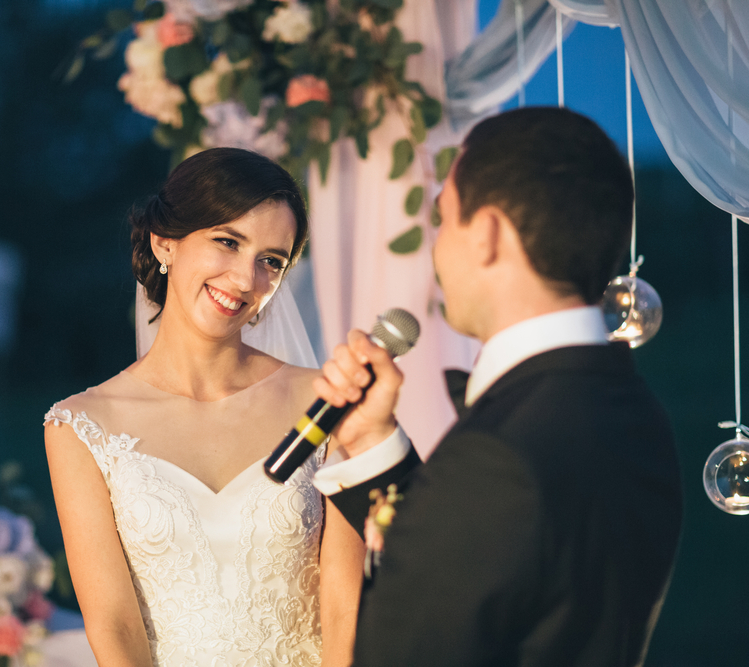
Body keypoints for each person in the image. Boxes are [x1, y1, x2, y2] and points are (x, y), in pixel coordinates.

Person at [309, 107, 684, 665]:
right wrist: (372, 444)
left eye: (443, 219)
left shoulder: (498, 457)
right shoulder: (636, 410)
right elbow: (490, 563)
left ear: (486, 234)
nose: (436, 249)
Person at [43, 147, 365, 666]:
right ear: (164, 242)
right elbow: (114, 626)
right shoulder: (83, 426)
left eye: (271, 261)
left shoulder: (325, 401)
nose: (245, 279)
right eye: (227, 242)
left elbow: (345, 606)